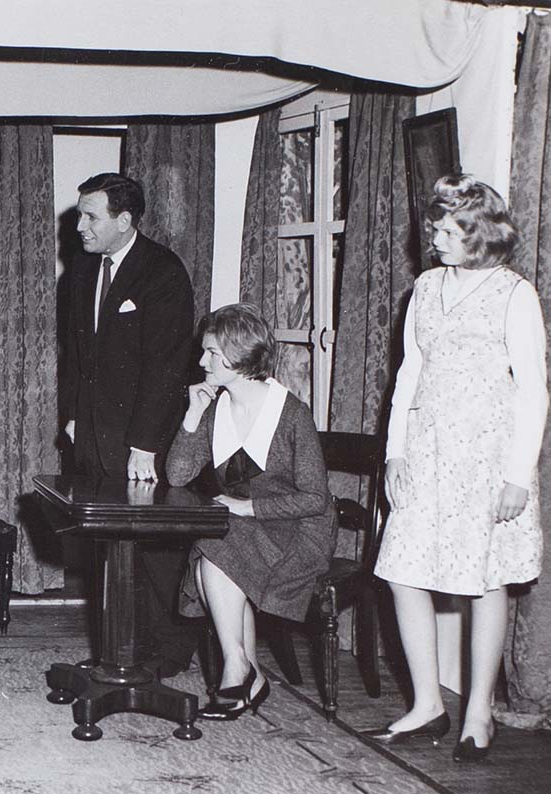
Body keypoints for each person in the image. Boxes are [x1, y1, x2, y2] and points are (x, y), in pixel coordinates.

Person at [364, 175, 547, 762]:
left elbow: (534, 392)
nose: (434, 236)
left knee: (484, 578)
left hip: (488, 458)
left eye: (447, 229)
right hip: (426, 451)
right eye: (436, 225)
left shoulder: (515, 294)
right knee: (400, 571)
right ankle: (426, 704)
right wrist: (395, 451)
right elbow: (407, 376)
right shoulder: (425, 287)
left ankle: (477, 713)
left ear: (479, 233)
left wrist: (518, 474)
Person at [60, 172, 199, 678]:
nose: (79, 226)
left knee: (153, 553)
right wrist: (72, 416)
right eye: (80, 214)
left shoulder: (162, 272)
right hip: (93, 435)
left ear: (124, 221)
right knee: (105, 548)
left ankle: (162, 652)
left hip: (143, 440)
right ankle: (117, 648)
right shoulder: (80, 270)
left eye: (90, 216)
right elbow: (75, 353)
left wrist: (144, 445)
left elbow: (166, 367)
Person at [166, 303, 335, 720]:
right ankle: (246, 669)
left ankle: (239, 670)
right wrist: (192, 416)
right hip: (245, 529)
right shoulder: (217, 407)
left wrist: (249, 506)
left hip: (298, 531)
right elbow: (177, 474)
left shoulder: (290, 413)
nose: (201, 361)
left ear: (240, 355)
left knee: (215, 550)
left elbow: (316, 498)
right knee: (215, 546)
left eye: (211, 353)